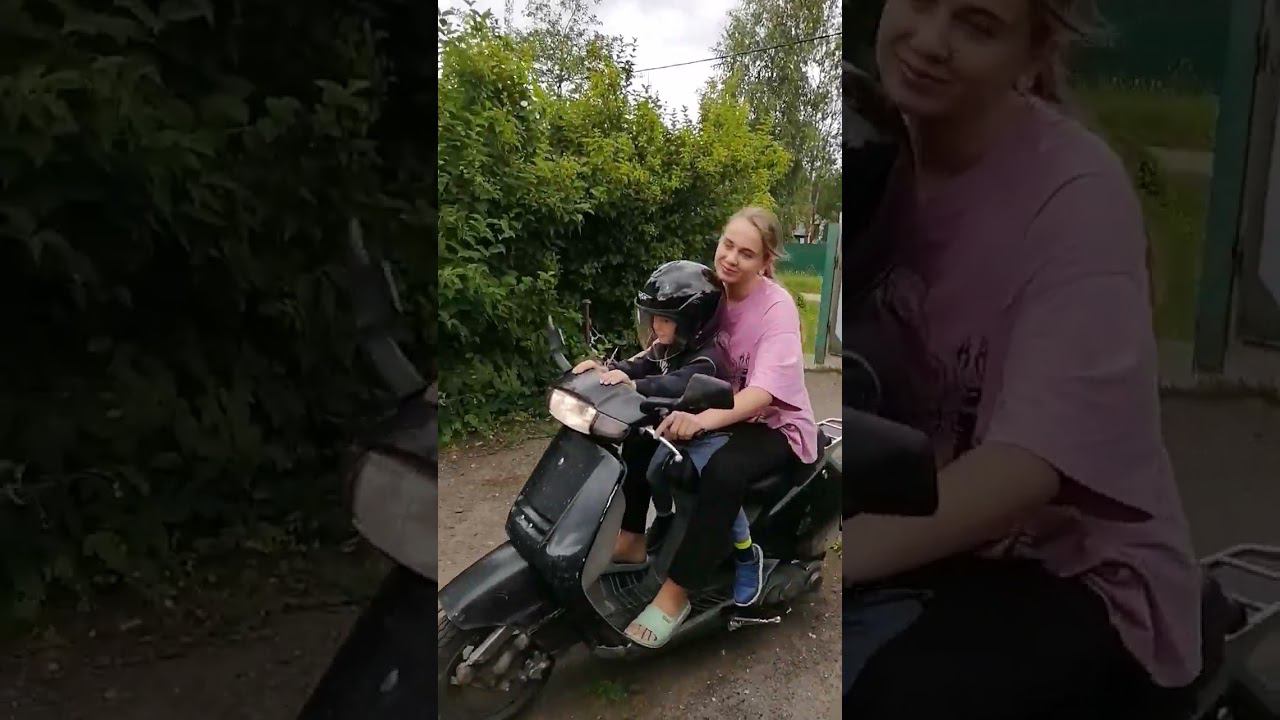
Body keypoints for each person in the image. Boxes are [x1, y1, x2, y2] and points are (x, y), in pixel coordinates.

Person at [840, 1, 1203, 718]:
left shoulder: (1075, 194)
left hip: (1069, 567)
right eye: (920, 2)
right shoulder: (868, 148)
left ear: (1032, 55)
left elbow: (1028, 466)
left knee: (888, 697)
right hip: (924, 535)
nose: (931, 42)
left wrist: (835, 556)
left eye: (977, 26)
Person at [605, 208, 818, 648]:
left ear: (766, 261)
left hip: (774, 424)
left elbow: (762, 394)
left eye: (747, 253)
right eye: (727, 245)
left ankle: (676, 595)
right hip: (719, 409)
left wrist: (701, 420)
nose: (731, 258)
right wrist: (619, 372)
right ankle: (631, 540)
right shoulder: (711, 292)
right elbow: (667, 343)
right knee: (643, 432)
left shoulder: (776, 308)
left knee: (723, 470)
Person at [573, 260, 765, 612]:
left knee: (718, 489)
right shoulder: (668, 346)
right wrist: (607, 371)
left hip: (708, 437)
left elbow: (675, 383)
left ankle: (745, 553)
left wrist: (637, 385)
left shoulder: (708, 359)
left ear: (693, 322)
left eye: (665, 319)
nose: (655, 325)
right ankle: (654, 529)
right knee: (648, 468)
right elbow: (640, 364)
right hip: (674, 433)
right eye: (653, 317)